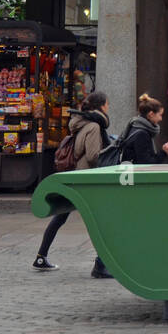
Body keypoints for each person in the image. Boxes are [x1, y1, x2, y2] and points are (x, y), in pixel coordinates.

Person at [33, 92, 113, 277]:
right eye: (108, 104)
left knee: (60, 217)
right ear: (101, 106)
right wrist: (109, 152)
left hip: (75, 177)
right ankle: (100, 266)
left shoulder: (81, 123)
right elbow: (93, 156)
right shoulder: (93, 126)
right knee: (99, 221)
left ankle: (40, 256)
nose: (109, 107)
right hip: (86, 179)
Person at [119, 93, 168, 164]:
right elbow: (146, 163)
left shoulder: (135, 127)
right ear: (151, 114)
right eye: (160, 115)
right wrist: (164, 152)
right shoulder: (142, 134)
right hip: (136, 173)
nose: (161, 119)